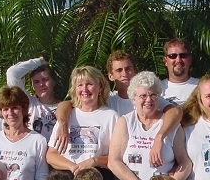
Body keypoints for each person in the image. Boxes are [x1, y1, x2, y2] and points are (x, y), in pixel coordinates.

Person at [54, 50, 183, 168]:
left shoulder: (148, 99)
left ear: (135, 71)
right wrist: (63, 122)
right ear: (110, 76)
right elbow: (67, 104)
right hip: (117, 170)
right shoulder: (107, 100)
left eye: (128, 69)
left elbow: (176, 112)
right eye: (119, 70)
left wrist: (160, 137)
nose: (124, 74)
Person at [108, 71, 192, 180]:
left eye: (153, 95)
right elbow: (114, 162)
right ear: (133, 98)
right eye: (143, 96)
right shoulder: (125, 122)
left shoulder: (171, 126)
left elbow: (185, 162)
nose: (149, 100)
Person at [46, 66, 120, 180]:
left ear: (100, 87)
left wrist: (94, 161)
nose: (84, 89)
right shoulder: (67, 117)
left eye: (89, 84)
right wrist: (73, 167)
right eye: (80, 85)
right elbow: (51, 155)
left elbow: (117, 158)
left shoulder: (111, 116)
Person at [6, 57, 61, 141]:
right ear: (32, 86)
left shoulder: (65, 107)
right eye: (36, 82)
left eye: (45, 79)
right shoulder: (28, 102)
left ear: (53, 81)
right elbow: (12, 73)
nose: (41, 84)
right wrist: (39, 61)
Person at [161, 38, 199, 106]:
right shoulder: (156, 89)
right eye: (173, 56)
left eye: (183, 55)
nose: (178, 60)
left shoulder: (202, 86)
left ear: (190, 60)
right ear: (165, 61)